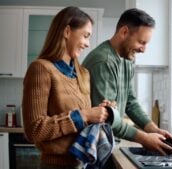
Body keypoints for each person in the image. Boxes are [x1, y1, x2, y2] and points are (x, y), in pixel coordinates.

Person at [22, 6, 114, 169]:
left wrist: (99, 113)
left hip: (81, 164)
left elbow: (82, 120)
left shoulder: (83, 74)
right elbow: (34, 130)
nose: (87, 44)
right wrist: (85, 115)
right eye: (85, 36)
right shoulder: (41, 68)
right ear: (67, 31)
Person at [82, 8, 172, 155]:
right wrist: (144, 138)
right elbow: (106, 117)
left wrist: (152, 128)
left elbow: (130, 101)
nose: (144, 49)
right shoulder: (104, 61)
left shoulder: (126, 59)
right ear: (124, 32)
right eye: (141, 42)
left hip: (109, 141)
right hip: (94, 145)